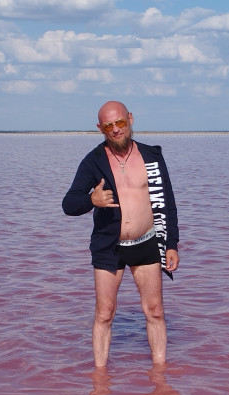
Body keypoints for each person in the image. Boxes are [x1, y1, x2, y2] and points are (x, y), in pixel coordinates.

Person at [62, 101, 179, 368]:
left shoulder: (152, 156)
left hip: (147, 242)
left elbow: (168, 203)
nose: (115, 130)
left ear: (130, 119)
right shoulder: (93, 161)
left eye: (120, 123)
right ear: (100, 128)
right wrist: (92, 200)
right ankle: (100, 379)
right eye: (108, 126)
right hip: (109, 246)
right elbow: (69, 204)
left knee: (156, 311)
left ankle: (160, 373)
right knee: (104, 314)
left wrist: (171, 244)